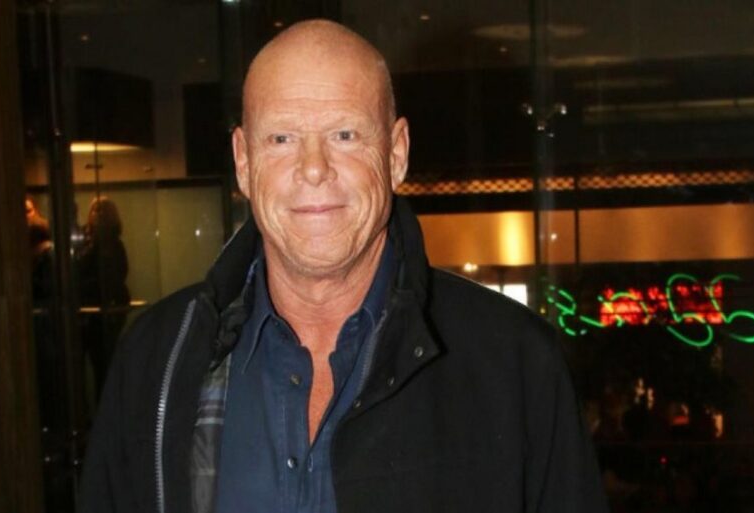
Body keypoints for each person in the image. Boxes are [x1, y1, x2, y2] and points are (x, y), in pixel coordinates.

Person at [80, 19, 607, 513]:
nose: (313, 168)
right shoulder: (158, 358)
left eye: (345, 135)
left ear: (396, 153)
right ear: (242, 160)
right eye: (282, 138)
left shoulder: (514, 365)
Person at [76, 196, 130, 403]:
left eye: (102, 210)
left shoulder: (114, 244)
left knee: (104, 366)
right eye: (95, 209)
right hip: (87, 310)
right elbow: (79, 270)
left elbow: (118, 275)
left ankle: (103, 408)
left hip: (106, 310)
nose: (98, 214)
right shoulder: (85, 241)